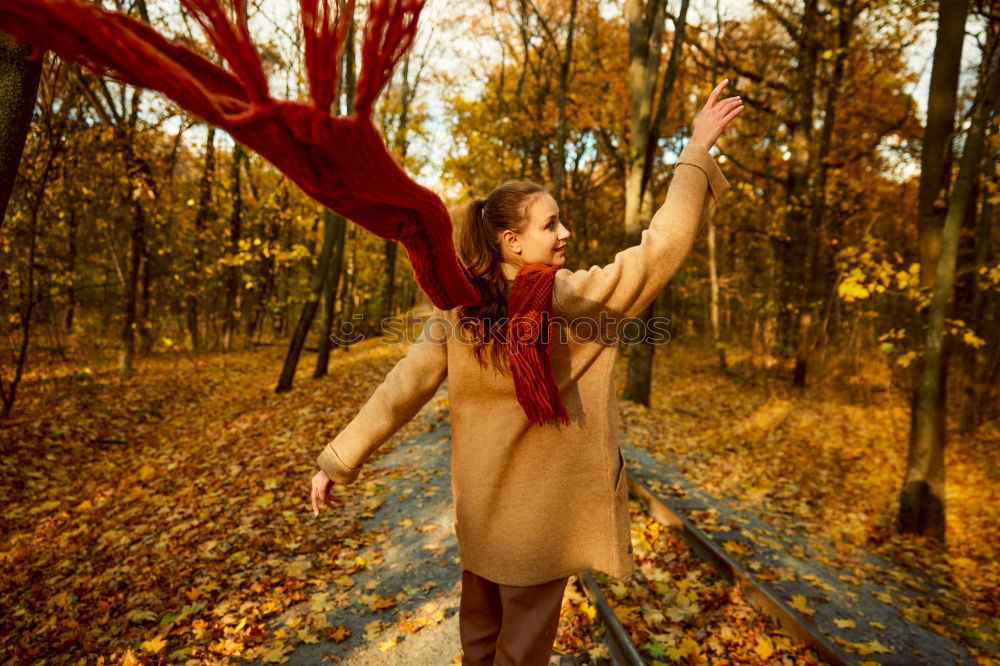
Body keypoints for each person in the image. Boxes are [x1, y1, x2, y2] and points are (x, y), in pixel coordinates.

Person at [310, 78, 741, 665]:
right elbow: (661, 247)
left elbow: (402, 387)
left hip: (482, 520)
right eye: (550, 224)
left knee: (480, 649)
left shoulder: (457, 308)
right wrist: (694, 153)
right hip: (539, 530)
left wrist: (339, 458)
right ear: (512, 241)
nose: (564, 234)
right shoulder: (571, 299)